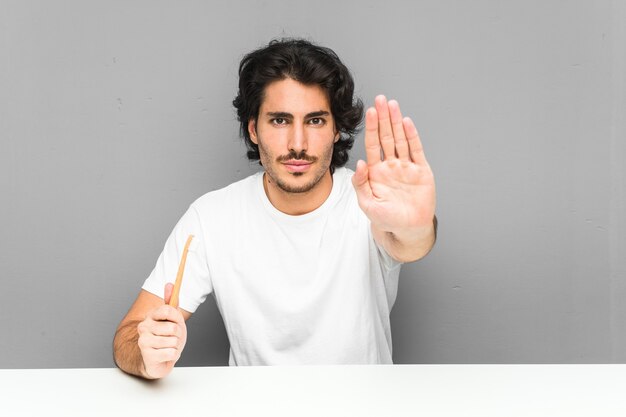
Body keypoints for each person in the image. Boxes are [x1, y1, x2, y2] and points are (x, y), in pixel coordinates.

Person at [113, 38, 437, 379]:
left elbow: (411, 242)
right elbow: (128, 337)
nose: (297, 143)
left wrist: (416, 227)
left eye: (315, 121)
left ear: (336, 129)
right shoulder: (212, 217)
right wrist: (146, 352)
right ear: (254, 129)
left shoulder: (370, 204)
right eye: (280, 121)